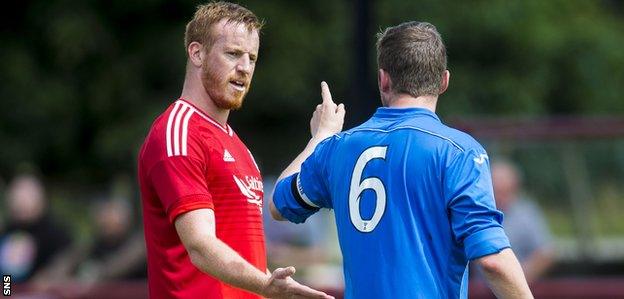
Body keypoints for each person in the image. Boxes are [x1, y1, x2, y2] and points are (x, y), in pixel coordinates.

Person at [270, 21, 533, 298]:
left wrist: (319, 138)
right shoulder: (459, 151)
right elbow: (493, 260)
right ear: (444, 81)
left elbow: (278, 204)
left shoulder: (337, 148)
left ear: (383, 79)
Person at [137, 2, 332, 299]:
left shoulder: (237, 147)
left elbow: (262, 229)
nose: (244, 67)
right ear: (197, 53)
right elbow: (201, 246)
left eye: (252, 58)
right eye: (232, 53)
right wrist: (266, 285)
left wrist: (319, 139)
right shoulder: (177, 132)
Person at [0, 173, 72, 283]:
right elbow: (7, 275)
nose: (21, 201)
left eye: (27, 196)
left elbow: (66, 267)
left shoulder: (57, 234)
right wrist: (7, 293)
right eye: (17, 195)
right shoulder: (7, 231)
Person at [491, 160, 554, 283]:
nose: (499, 197)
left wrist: (516, 280)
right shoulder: (477, 212)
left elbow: (546, 252)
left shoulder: (526, 213)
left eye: (504, 191)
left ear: (515, 187)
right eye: (496, 191)